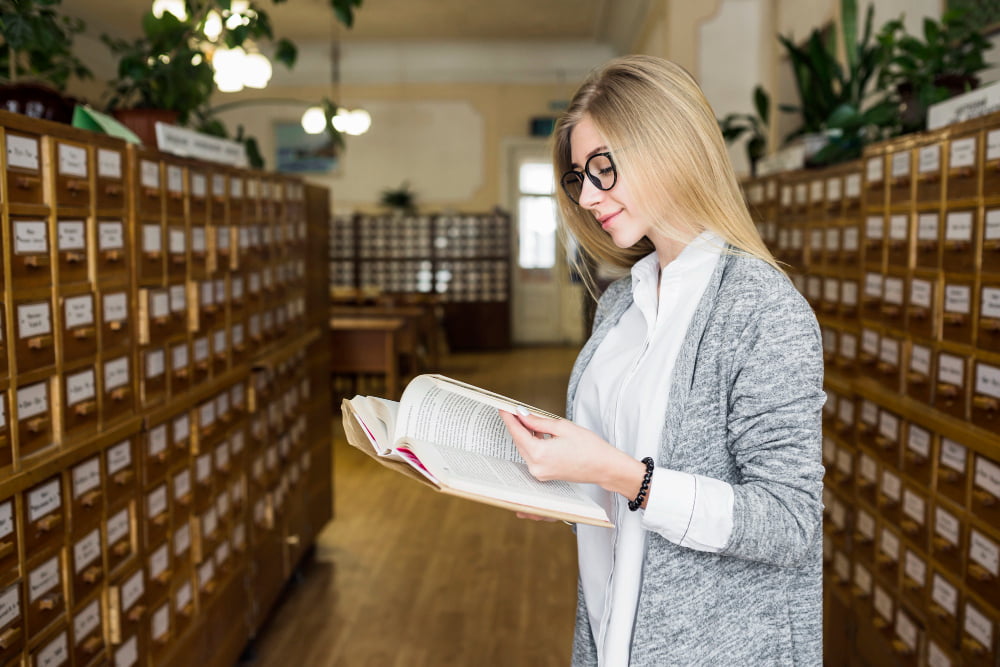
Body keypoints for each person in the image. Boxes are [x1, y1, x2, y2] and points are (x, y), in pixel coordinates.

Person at [498, 55, 825, 666]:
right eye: (578, 178)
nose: (589, 196)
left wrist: (626, 476)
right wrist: (565, 486)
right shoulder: (620, 303)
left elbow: (789, 522)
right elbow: (614, 479)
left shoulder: (761, 309)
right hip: (610, 636)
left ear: (668, 147)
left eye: (604, 169)